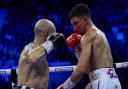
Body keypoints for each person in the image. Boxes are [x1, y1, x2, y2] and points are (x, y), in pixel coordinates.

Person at [57, 3, 121, 89]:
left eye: (75, 23)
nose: (74, 29)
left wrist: (64, 87)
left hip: (103, 82)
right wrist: (77, 50)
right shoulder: (99, 33)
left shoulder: (88, 36)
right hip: (113, 81)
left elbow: (81, 70)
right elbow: (89, 69)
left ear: (85, 20)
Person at [17, 19, 65, 89]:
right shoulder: (29, 49)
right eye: (53, 34)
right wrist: (51, 43)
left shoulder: (40, 52)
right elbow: (32, 57)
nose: (55, 37)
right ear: (47, 34)